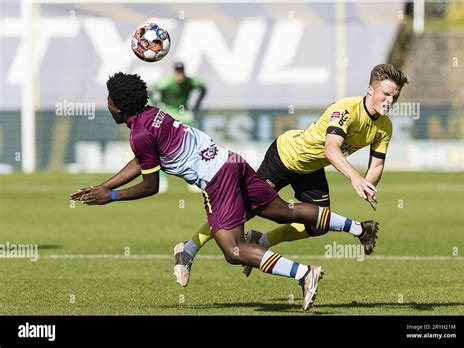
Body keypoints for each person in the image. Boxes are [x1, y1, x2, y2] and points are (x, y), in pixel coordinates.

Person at [69, 72, 377, 311]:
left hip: (216, 179)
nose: (107, 103)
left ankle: (303, 273)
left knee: (234, 251)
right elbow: (143, 161)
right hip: (232, 161)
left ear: (119, 106)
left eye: (109, 99)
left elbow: (150, 186)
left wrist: (109, 197)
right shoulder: (152, 114)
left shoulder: (139, 133)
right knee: (287, 212)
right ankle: (358, 227)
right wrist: (104, 185)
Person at [173, 63, 408, 284]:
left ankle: (261, 240)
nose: (389, 101)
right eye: (385, 94)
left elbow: (376, 164)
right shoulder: (346, 109)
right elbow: (331, 147)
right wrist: (355, 178)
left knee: (319, 225)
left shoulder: (384, 127)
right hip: (285, 156)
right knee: (241, 210)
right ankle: (188, 249)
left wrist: (368, 184)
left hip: (311, 168)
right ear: (370, 89)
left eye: (394, 97)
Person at [148, 62, 207, 192]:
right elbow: (151, 89)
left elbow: (203, 88)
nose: (180, 75)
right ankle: (161, 179)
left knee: (193, 145)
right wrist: (156, 104)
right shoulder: (166, 82)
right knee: (162, 147)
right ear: (174, 72)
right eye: (178, 71)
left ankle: (195, 179)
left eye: (181, 71)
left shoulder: (191, 82)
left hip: (184, 115)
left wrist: (197, 103)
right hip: (168, 115)